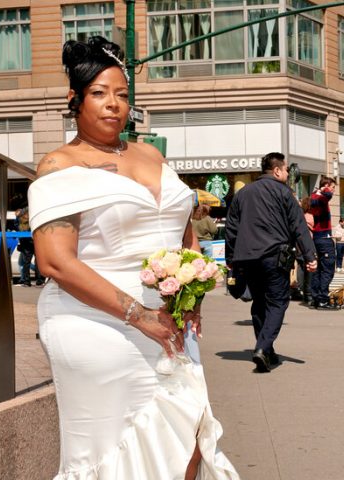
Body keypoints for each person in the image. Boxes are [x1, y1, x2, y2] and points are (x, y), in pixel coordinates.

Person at [28, 36, 238, 479]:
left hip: (169, 317)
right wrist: (137, 314)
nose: (113, 105)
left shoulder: (150, 154)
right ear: (75, 99)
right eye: (100, 94)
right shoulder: (59, 165)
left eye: (122, 95)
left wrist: (192, 289)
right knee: (116, 451)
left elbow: (182, 230)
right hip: (94, 320)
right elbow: (54, 262)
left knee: (188, 443)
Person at [225, 152, 317, 372]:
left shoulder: (243, 193)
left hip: (248, 259)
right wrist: (310, 257)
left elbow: (231, 228)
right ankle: (263, 348)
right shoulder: (285, 193)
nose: (287, 173)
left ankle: (267, 350)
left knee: (259, 303)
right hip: (275, 256)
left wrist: (231, 258)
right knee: (277, 302)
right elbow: (299, 227)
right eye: (286, 170)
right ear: (277, 170)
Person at [309, 177, 338, 310]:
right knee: (328, 269)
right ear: (326, 185)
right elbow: (328, 195)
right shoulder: (321, 197)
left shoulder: (314, 196)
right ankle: (322, 299)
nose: (333, 190)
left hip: (317, 238)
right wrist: (325, 189)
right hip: (324, 238)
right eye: (332, 187)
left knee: (318, 269)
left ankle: (315, 298)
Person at [15, 207, 45, 287]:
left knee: (26, 262)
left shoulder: (20, 216)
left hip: (25, 241)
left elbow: (16, 226)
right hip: (36, 240)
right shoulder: (35, 214)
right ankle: (39, 280)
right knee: (38, 261)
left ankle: (26, 281)